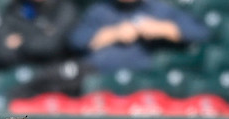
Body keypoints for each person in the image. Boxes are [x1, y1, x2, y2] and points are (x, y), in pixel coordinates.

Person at [67, 0, 210, 73]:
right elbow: (75, 41)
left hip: (144, 80)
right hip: (99, 78)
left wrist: (162, 28)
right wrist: (114, 33)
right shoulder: (100, 9)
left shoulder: (157, 8)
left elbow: (201, 33)